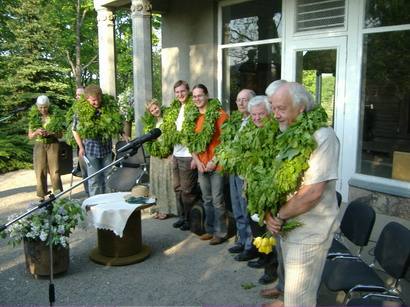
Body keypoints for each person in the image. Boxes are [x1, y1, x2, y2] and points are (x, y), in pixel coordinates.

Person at [265, 82, 340, 307]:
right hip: (289, 225)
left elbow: (312, 193)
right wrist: (268, 213)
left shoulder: (323, 137)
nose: (275, 114)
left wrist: (278, 216)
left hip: (309, 232)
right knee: (293, 294)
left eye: (281, 108)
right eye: (273, 107)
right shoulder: (286, 133)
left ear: (300, 108)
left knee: (299, 299)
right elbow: (272, 182)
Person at [190, 84, 229, 245]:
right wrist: (197, 161)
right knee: (206, 199)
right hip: (201, 165)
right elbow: (190, 141)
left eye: (200, 95)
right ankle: (210, 229)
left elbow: (226, 141)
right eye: (194, 96)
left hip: (216, 164)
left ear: (207, 96)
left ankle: (221, 232)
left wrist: (215, 160)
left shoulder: (220, 114)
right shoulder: (193, 117)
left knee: (217, 199)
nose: (197, 99)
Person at [71, 84, 126, 196]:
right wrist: (81, 147)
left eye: (98, 99)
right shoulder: (81, 112)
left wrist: (123, 134)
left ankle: (109, 202)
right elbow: (74, 130)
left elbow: (116, 123)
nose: (97, 102)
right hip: (91, 150)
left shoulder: (107, 108)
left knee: (109, 176)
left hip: (106, 149)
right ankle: (96, 206)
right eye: (93, 101)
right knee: (94, 179)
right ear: (87, 100)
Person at [225, 89, 259, 260]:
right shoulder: (238, 120)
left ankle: (249, 245)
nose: (240, 103)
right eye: (238, 100)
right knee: (237, 206)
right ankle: (241, 239)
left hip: (246, 172)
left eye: (244, 100)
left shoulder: (256, 122)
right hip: (234, 170)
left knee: (246, 209)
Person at [167, 80, 200, 231]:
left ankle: (190, 219)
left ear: (188, 91)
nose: (180, 94)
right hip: (176, 152)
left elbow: (197, 133)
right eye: (177, 92)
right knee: (177, 188)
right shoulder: (175, 108)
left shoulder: (194, 107)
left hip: (188, 154)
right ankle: (182, 216)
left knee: (188, 191)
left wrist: (195, 157)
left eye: (182, 91)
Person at [142, 98, 177, 220]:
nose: (155, 111)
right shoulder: (151, 124)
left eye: (155, 108)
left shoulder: (168, 120)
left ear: (159, 106)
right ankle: (158, 208)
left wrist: (170, 151)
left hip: (167, 155)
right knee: (157, 181)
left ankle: (167, 209)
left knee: (166, 182)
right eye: (152, 110)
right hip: (155, 156)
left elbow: (172, 137)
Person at [28, 95, 64, 200]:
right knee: (40, 170)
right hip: (39, 145)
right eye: (40, 107)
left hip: (53, 144)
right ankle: (41, 196)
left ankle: (58, 195)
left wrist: (51, 133)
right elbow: (30, 136)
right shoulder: (34, 117)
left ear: (48, 106)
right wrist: (36, 132)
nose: (43, 109)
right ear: (37, 107)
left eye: (45, 107)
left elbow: (60, 135)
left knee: (55, 171)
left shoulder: (54, 116)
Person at [73, 86, 89, 196]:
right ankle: (88, 194)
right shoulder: (76, 110)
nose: (77, 97)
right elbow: (74, 129)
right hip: (82, 145)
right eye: (77, 95)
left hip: (93, 145)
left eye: (80, 94)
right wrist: (81, 146)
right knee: (85, 173)